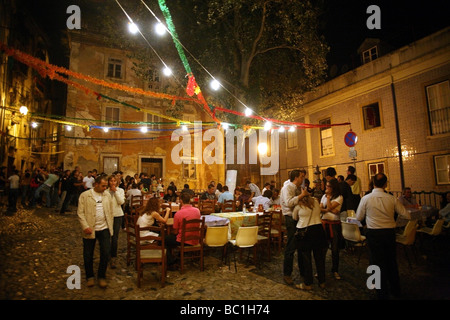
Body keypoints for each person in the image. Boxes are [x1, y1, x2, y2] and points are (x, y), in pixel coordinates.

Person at [356, 173, 410, 299]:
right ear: (386, 184)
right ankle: (396, 290)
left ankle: (380, 292)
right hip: (389, 233)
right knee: (391, 261)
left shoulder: (366, 199)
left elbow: (358, 217)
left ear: (373, 183)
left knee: (375, 262)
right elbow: (406, 215)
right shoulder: (392, 198)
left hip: (374, 233)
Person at [77, 175, 114, 288]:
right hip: (90, 228)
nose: (105, 188)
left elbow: (110, 211)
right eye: (103, 186)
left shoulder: (107, 195)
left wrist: (109, 225)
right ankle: (90, 277)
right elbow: (80, 213)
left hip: (104, 228)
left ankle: (101, 276)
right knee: (88, 254)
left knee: (105, 252)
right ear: (96, 184)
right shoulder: (85, 195)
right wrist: (85, 226)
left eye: (106, 186)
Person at [280, 169, 309, 285]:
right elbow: (288, 203)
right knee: (291, 246)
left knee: (301, 244)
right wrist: (301, 196)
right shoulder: (287, 188)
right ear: (296, 177)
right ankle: (287, 273)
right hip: (290, 218)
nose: (303, 179)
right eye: (301, 177)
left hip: (297, 218)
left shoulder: (295, 188)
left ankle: (303, 271)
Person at [293, 195, 327, 290]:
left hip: (305, 232)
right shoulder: (315, 202)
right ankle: (322, 281)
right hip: (318, 229)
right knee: (319, 257)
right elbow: (320, 211)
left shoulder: (298, 206)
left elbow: (294, 217)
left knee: (306, 258)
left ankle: (308, 283)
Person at [165, 192, 201, 265]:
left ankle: (171, 261)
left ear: (181, 201)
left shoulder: (178, 213)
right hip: (195, 239)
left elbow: (175, 231)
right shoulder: (197, 211)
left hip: (183, 240)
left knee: (165, 239)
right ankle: (178, 256)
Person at [320, 178, 344, 280]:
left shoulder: (339, 197)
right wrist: (329, 209)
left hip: (334, 225)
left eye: (328, 186)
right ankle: (321, 271)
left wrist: (329, 199)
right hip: (324, 223)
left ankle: (335, 270)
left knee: (335, 249)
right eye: (326, 186)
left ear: (333, 187)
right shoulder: (323, 196)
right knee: (323, 248)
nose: (326, 188)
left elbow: (331, 208)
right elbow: (322, 208)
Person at [107, 175, 125, 269]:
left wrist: (115, 192)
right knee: (106, 236)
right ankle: (106, 254)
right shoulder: (105, 191)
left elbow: (121, 202)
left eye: (114, 181)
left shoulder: (120, 190)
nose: (113, 182)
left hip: (117, 215)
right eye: (111, 181)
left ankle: (113, 257)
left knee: (114, 237)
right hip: (107, 216)